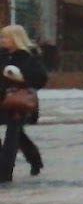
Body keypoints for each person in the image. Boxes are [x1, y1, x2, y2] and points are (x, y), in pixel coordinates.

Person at [1, 24, 47, 184]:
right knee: (19, 135)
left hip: (20, 101)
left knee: (12, 135)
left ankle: (4, 173)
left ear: (15, 39)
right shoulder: (2, 55)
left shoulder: (29, 57)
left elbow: (40, 79)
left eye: (5, 37)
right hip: (2, 99)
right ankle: (35, 159)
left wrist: (21, 79)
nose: (2, 40)